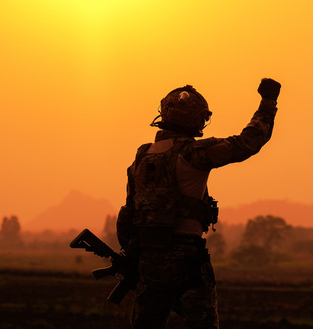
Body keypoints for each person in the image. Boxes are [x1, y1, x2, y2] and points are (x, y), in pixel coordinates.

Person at [116, 78, 281, 329]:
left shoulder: (142, 156)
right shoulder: (194, 153)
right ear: (198, 119)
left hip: (148, 260)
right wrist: (267, 103)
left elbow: (128, 213)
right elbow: (249, 141)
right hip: (186, 259)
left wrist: (137, 256)